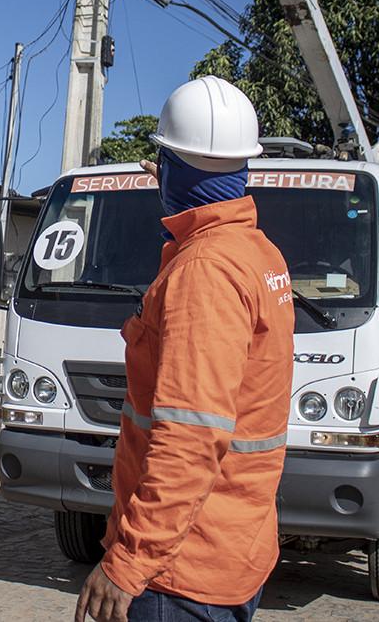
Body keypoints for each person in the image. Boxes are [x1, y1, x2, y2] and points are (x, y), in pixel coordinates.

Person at [76, 76, 295, 622]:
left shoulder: (205, 272)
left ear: (170, 165)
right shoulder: (256, 253)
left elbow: (190, 438)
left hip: (178, 573)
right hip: (231, 549)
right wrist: (180, 193)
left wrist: (128, 561)